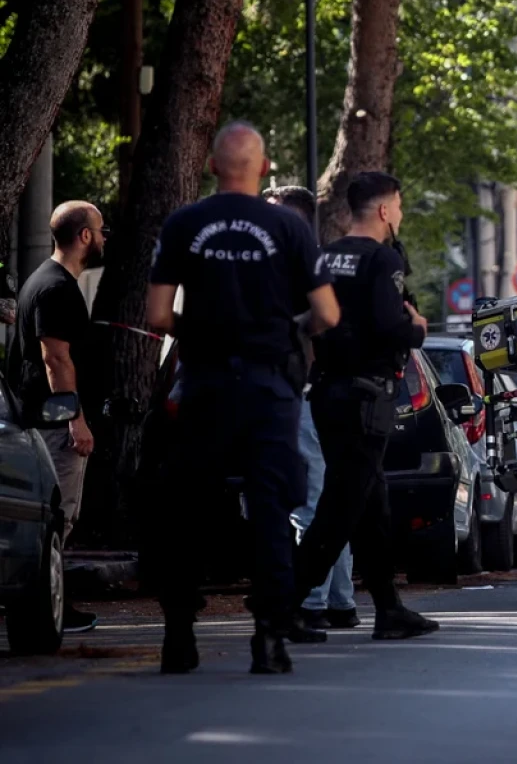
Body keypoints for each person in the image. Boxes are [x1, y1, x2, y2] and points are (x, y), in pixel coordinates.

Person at [146, 121, 340, 674]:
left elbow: (157, 316)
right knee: (272, 508)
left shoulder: (185, 223)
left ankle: (179, 637)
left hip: (203, 383)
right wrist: (286, 327)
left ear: (212, 166)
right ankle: (269, 638)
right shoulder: (288, 227)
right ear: (264, 167)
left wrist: (204, 332)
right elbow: (327, 314)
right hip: (270, 387)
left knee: (187, 509)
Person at [294, 171, 439, 641]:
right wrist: (416, 326)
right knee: (341, 507)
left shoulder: (327, 255)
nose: (398, 214)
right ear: (382, 210)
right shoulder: (382, 259)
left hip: (329, 393)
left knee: (371, 505)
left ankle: (389, 608)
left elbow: (310, 320)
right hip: (366, 397)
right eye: (397, 206)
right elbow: (389, 326)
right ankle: (282, 597)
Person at [264, 185, 358, 635]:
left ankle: (315, 600)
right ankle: (339, 600)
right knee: (327, 500)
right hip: (329, 397)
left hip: (303, 397)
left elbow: (322, 329)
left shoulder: (298, 268)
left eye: (272, 215)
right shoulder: (324, 265)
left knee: (309, 505)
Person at [10, 201, 108, 635]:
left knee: (57, 520)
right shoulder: (56, 288)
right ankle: (51, 609)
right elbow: (55, 357)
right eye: (100, 231)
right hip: (53, 425)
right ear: (84, 236)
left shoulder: (44, 281)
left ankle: (55, 604)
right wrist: (75, 419)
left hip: (45, 421)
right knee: (58, 519)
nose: (104, 239)